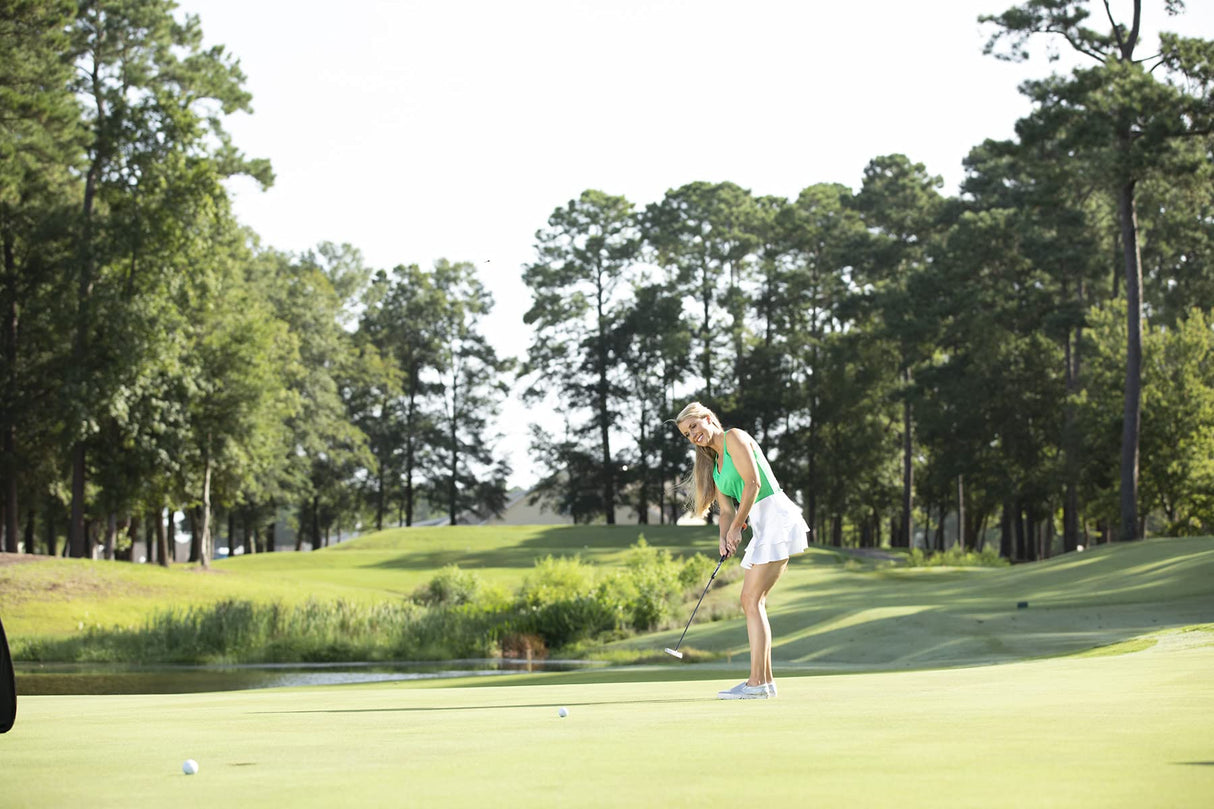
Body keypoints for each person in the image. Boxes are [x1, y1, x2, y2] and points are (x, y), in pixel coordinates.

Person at [673, 401, 809, 699]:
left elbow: (753, 483)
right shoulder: (715, 464)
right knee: (753, 602)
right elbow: (724, 511)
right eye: (686, 434)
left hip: (776, 517)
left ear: (708, 418)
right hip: (763, 527)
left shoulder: (734, 437)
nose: (692, 435)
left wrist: (737, 526)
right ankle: (765, 683)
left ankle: (756, 683)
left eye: (694, 426)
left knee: (750, 599)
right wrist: (724, 537)